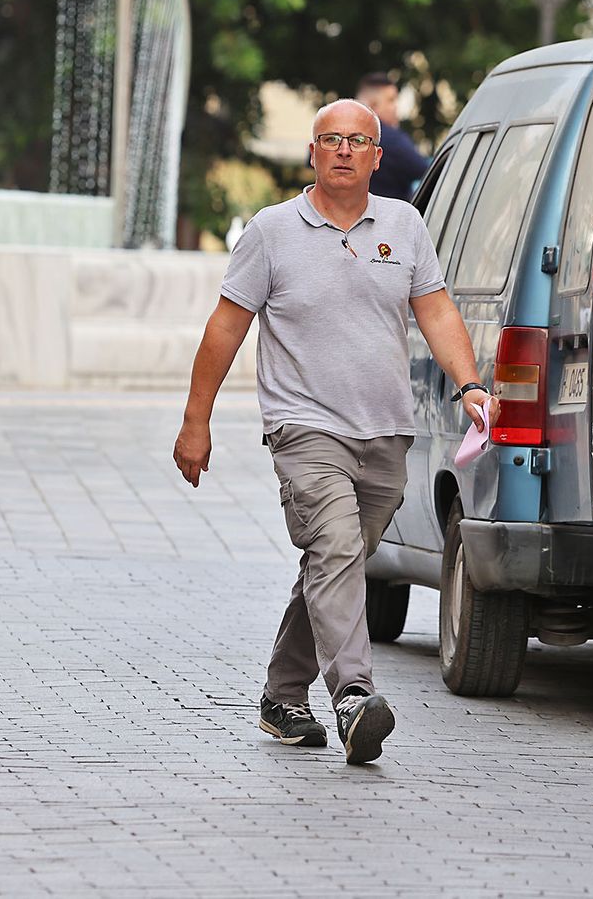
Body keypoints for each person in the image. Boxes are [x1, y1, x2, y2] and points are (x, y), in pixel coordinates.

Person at [173, 98, 495, 765]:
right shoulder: (271, 231)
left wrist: (469, 384)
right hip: (303, 427)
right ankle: (353, 692)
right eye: (330, 139)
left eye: (358, 140)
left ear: (379, 156)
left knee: (335, 559)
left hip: (385, 433)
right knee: (338, 546)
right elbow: (226, 326)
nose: (344, 149)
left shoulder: (404, 224)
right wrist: (194, 421)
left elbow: (436, 311)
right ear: (312, 153)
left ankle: (282, 695)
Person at [355, 72, 428, 202]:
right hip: (390, 218)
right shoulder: (390, 139)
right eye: (391, 100)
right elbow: (425, 170)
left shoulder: (342, 135)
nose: (395, 107)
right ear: (373, 105)